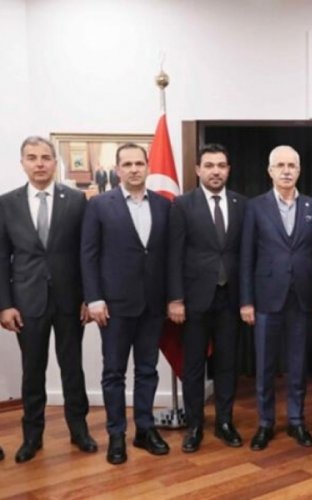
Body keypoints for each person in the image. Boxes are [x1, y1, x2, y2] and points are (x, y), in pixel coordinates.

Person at [0, 136, 96, 463]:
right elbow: (1, 257)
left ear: (55, 162)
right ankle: (32, 436)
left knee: (72, 368)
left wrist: (89, 297)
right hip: (27, 302)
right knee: (32, 371)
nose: (39, 163)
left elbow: (86, 254)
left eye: (45, 157)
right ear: (23, 163)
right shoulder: (7, 203)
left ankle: (79, 430)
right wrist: (5, 304)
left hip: (70, 300)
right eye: (32, 157)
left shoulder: (77, 200)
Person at [81, 142, 171, 465]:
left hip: (152, 305)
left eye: (139, 163)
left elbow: (168, 255)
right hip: (114, 306)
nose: (134, 169)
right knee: (114, 373)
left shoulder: (163, 205)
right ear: (117, 169)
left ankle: (144, 429)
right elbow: (88, 254)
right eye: (127, 164)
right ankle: (116, 434)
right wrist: (94, 298)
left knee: (147, 370)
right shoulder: (99, 205)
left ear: (147, 167)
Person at [239, 145, 312, 451]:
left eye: (292, 166)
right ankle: (265, 423)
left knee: (298, 365)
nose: (286, 171)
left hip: (302, 298)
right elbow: (246, 256)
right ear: (270, 171)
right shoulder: (255, 207)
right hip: (266, 299)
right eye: (281, 165)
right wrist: (246, 301)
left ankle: (297, 421)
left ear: (299, 170)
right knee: (264, 366)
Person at [167, 143, 247, 453]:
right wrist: (175, 299)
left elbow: (245, 254)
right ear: (198, 169)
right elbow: (174, 254)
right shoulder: (182, 204)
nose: (216, 171)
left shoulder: (242, 204)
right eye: (210, 165)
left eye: (221, 166)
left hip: (231, 299)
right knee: (193, 366)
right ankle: (195, 426)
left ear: (228, 170)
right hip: (194, 300)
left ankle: (225, 422)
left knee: (227, 364)